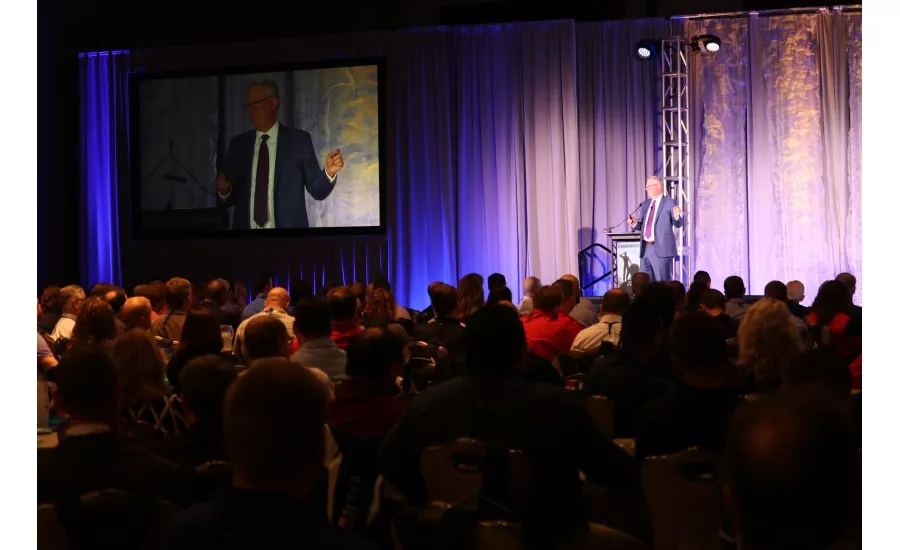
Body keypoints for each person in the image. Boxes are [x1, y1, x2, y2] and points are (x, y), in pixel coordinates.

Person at [217, 80, 345, 230]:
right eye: (249, 105)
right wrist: (224, 191)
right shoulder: (238, 145)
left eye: (256, 104)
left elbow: (317, 191)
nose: (252, 110)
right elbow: (228, 199)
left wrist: (329, 172)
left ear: (273, 103)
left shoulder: (298, 141)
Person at [628, 176, 683, 282]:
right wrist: (634, 223)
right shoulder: (645, 204)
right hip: (645, 249)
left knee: (662, 284)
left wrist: (677, 216)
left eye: (648, 186)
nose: (646, 189)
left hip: (661, 249)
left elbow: (678, 224)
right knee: (645, 284)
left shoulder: (670, 202)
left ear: (658, 186)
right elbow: (643, 226)